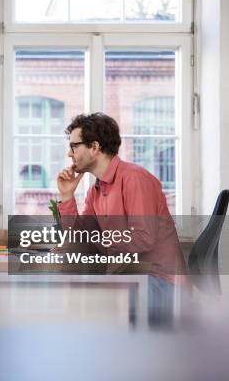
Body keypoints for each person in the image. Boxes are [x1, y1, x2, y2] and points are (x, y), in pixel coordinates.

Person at [56, 112, 187, 325]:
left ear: (94, 147)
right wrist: (67, 196)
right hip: (134, 277)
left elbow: (143, 238)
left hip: (160, 284)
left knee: (87, 303)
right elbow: (79, 238)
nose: (69, 154)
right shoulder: (96, 190)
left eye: (74, 146)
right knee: (75, 298)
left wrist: (96, 243)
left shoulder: (135, 179)